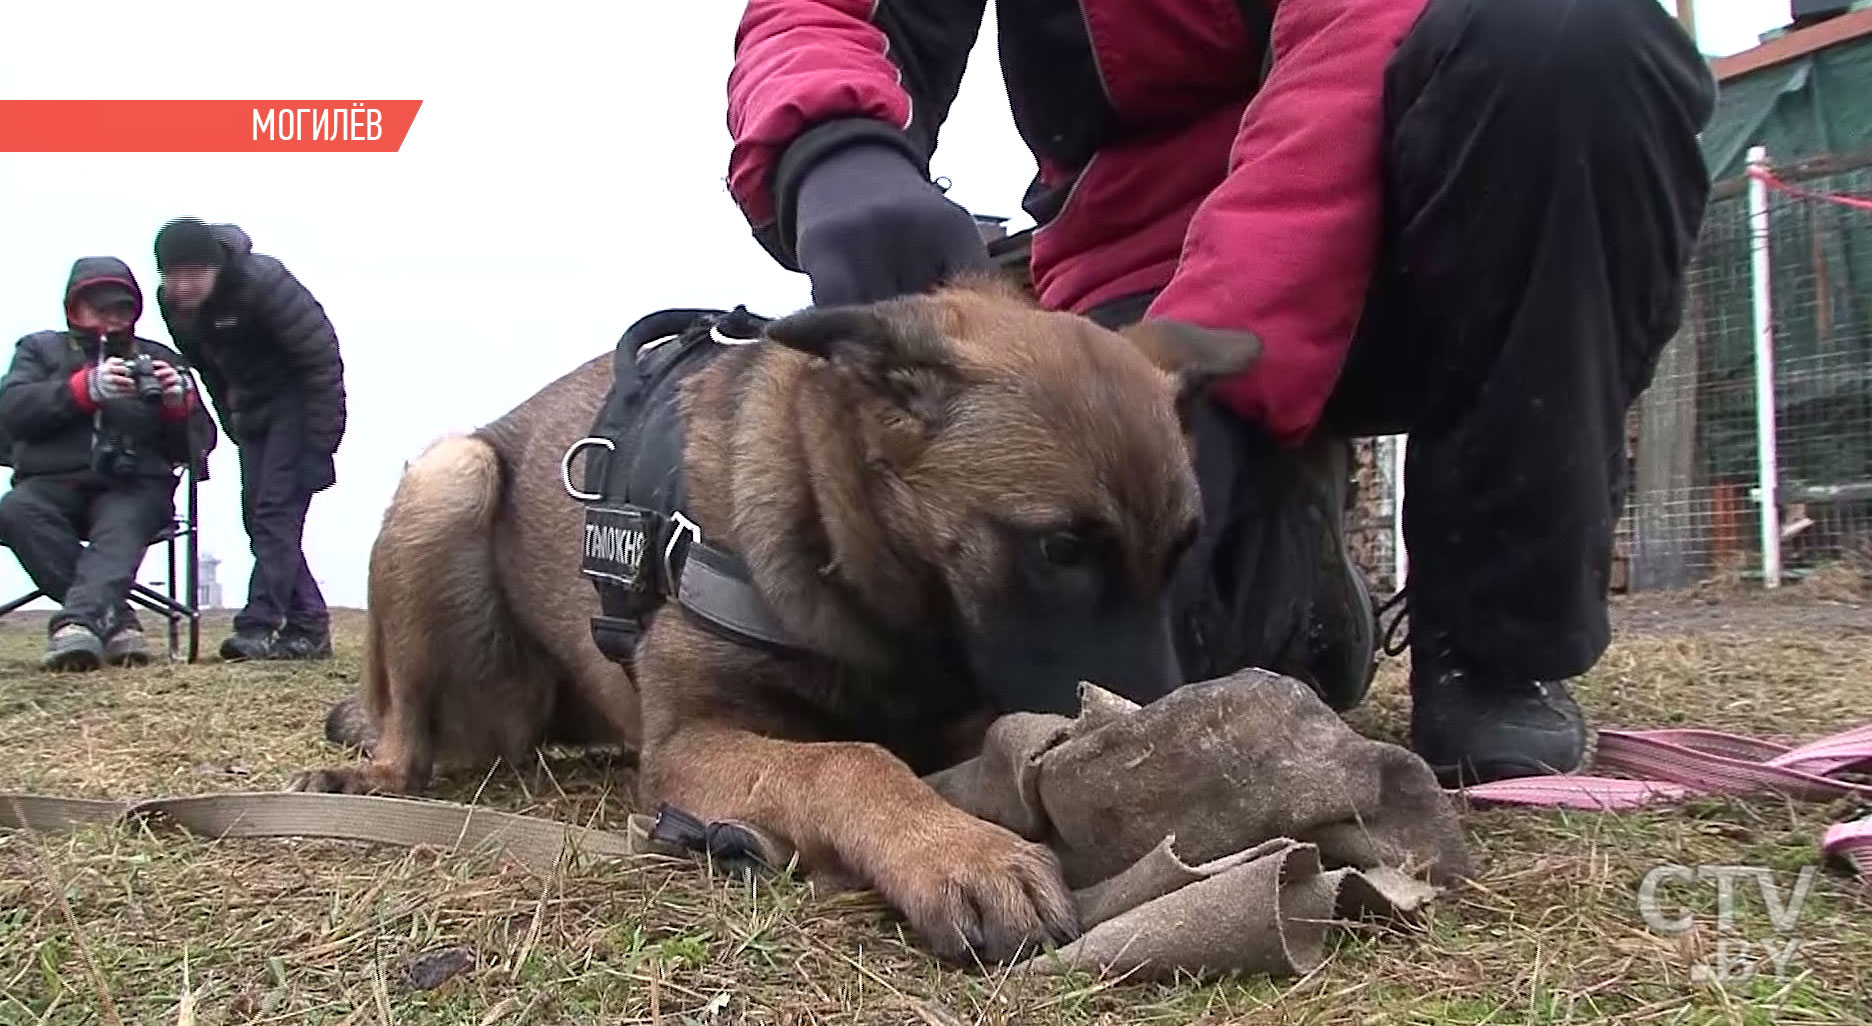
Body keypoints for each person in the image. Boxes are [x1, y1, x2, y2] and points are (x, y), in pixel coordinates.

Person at [721, 0, 1718, 786]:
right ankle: (1299, 570)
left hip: (1433, 196)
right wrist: (836, 144)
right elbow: (823, 13)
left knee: (1568, 39)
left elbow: (1349, 59)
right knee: (1125, 656)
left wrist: (1206, 407)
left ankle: (1497, 654)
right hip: (1149, 245)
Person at [0, 257, 214, 671]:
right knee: (16, 511)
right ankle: (116, 621)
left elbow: (198, 446)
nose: (112, 320)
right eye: (100, 309)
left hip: (135, 484)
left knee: (123, 522)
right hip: (49, 482)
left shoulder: (158, 358)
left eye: (121, 309)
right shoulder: (39, 350)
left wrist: (177, 407)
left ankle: (79, 622)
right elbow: (11, 411)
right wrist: (81, 391)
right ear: (73, 309)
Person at [152, 218, 347, 663]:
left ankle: (258, 626)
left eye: (194, 275)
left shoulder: (264, 283)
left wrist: (321, 445)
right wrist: (231, 425)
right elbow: (209, 370)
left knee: (275, 515)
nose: (184, 287)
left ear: (217, 268)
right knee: (256, 518)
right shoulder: (175, 307)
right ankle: (309, 624)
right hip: (252, 412)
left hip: (298, 404)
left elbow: (321, 361)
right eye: (173, 276)